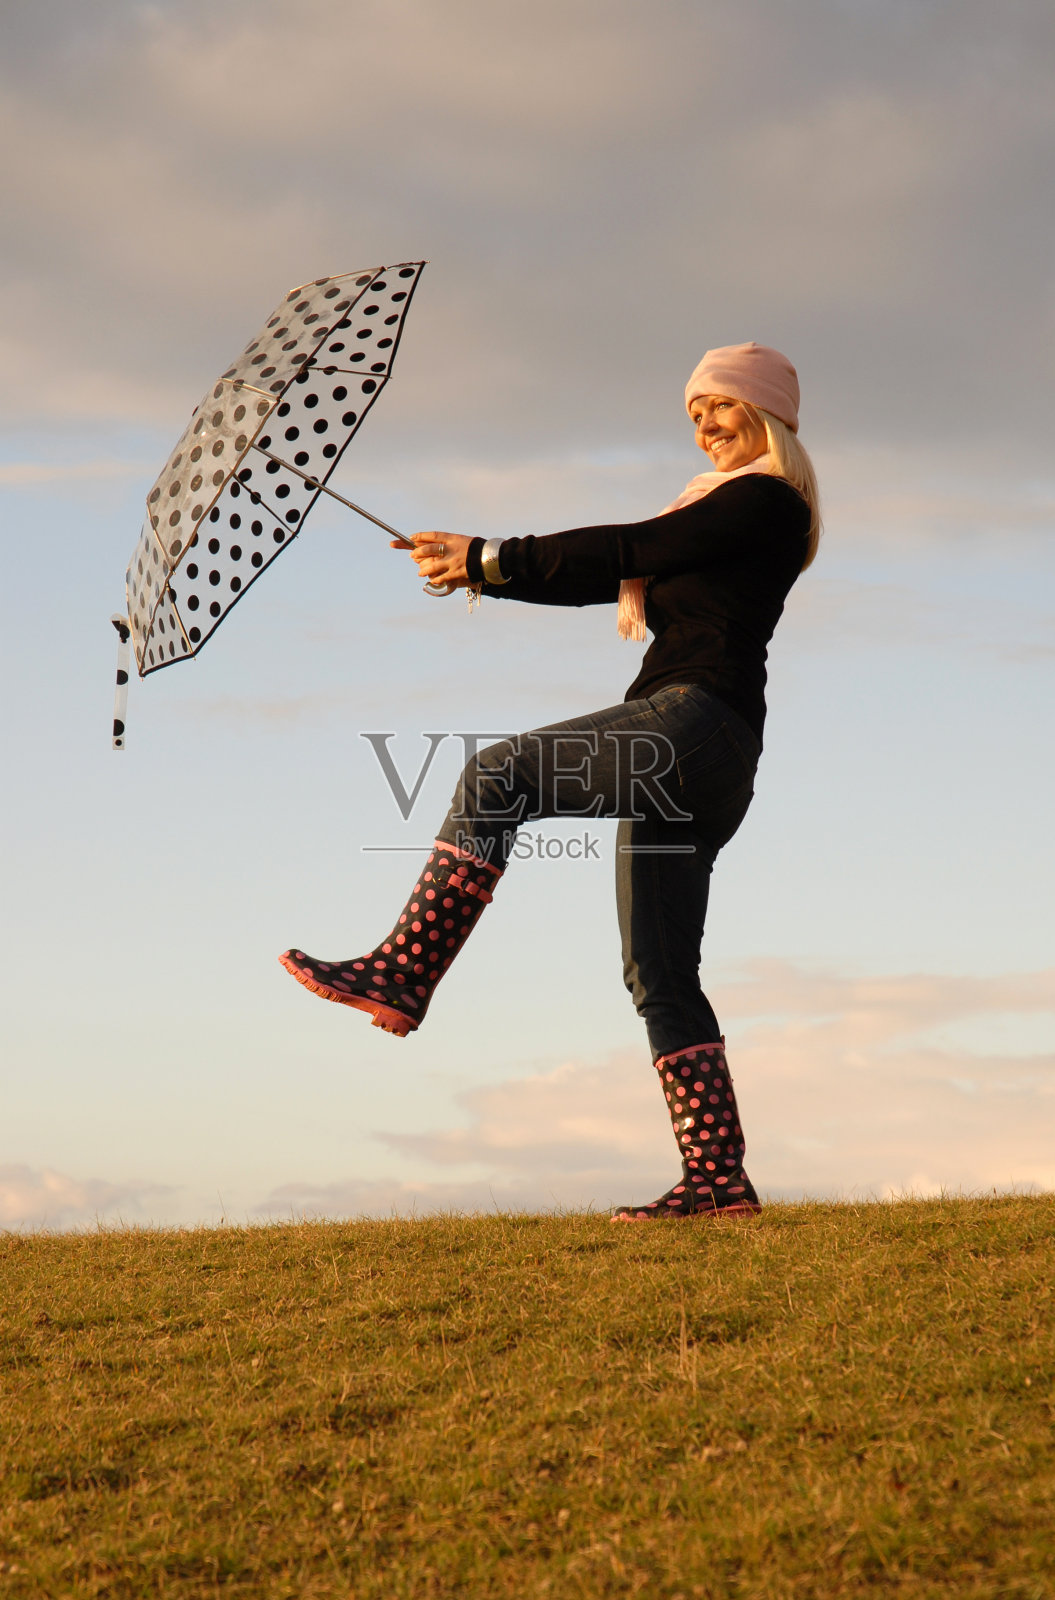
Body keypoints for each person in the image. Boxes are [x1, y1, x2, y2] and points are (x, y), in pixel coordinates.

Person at [280, 342, 820, 1222]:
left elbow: (630, 546)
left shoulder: (762, 500)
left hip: (693, 726)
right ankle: (717, 1178)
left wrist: (492, 555)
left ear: (767, 411)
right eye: (692, 415)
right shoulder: (721, 513)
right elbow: (614, 568)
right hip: (707, 752)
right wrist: (476, 571)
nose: (704, 428)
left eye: (719, 406)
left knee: (496, 775)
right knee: (658, 970)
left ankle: (402, 971)